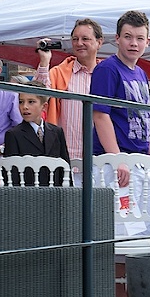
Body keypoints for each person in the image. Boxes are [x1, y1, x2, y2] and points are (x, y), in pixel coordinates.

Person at [91, 10, 150, 235]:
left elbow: (143, 117)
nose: (134, 43)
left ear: (147, 41)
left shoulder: (141, 73)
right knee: (124, 232)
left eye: (139, 38)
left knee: (148, 230)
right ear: (117, 38)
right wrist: (117, 159)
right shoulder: (107, 69)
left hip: (140, 161)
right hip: (116, 162)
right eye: (128, 37)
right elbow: (100, 115)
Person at [34, 18, 104, 187]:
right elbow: (37, 95)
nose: (79, 43)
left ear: (99, 42)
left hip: (101, 163)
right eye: (75, 39)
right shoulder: (60, 72)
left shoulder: (107, 74)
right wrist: (44, 61)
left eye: (85, 39)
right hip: (67, 161)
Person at [3, 81, 70, 186]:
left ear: (44, 106)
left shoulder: (57, 132)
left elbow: (65, 167)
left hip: (55, 192)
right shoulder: (13, 134)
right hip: (27, 192)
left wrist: (70, 192)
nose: (25, 106)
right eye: (21, 102)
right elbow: (11, 173)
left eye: (31, 102)